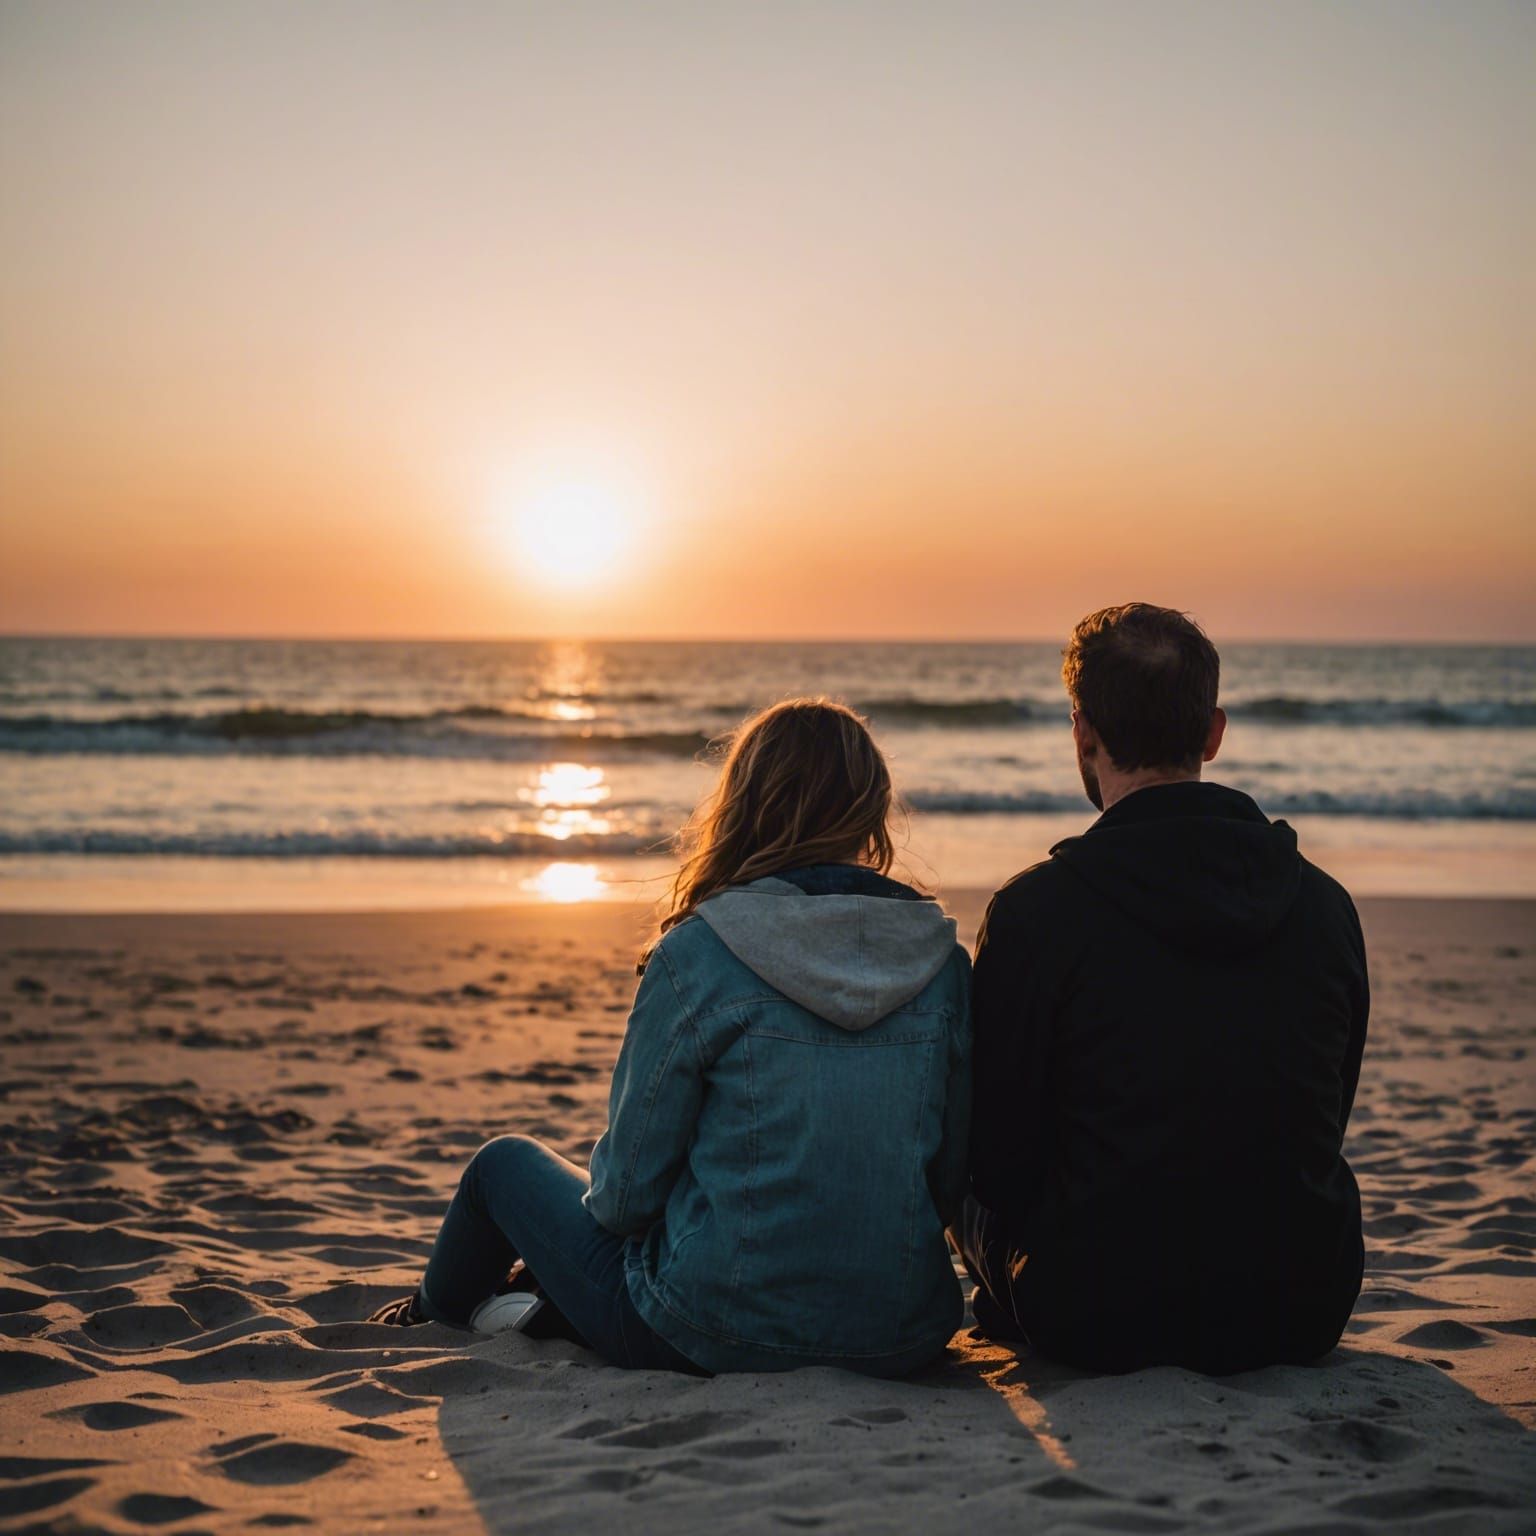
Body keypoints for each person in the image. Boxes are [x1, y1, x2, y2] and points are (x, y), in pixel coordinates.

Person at [374, 698, 972, 1377]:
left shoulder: (700, 953)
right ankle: (537, 1307)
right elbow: (949, 1181)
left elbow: (625, 1199)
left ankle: (432, 1312)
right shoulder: (942, 963)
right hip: (900, 1336)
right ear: (872, 810)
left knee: (499, 1167)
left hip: (709, 1330)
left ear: (744, 805)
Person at [957, 603, 1368, 1375]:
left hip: (1095, 1310)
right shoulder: (1324, 906)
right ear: (1212, 732)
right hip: (1302, 1302)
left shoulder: (1036, 912)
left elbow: (998, 1162)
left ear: (1082, 732)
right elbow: (1325, 1118)